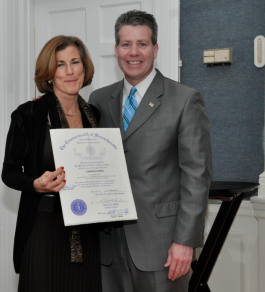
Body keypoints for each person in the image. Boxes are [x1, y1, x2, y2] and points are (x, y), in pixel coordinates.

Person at [89, 10, 212, 292]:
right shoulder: (98, 99)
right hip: (108, 246)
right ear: (116, 49)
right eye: (126, 44)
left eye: (142, 44)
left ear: (155, 49)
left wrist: (185, 242)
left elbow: (197, 176)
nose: (134, 52)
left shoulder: (184, 100)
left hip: (163, 246)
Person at [2, 36, 102, 292]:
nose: (69, 72)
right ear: (49, 73)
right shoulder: (29, 114)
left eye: (75, 62)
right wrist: (35, 184)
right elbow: (9, 172)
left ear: (85, 67)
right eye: (60, 65)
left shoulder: (95, 115)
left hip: (88, 230)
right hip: (43, 229)